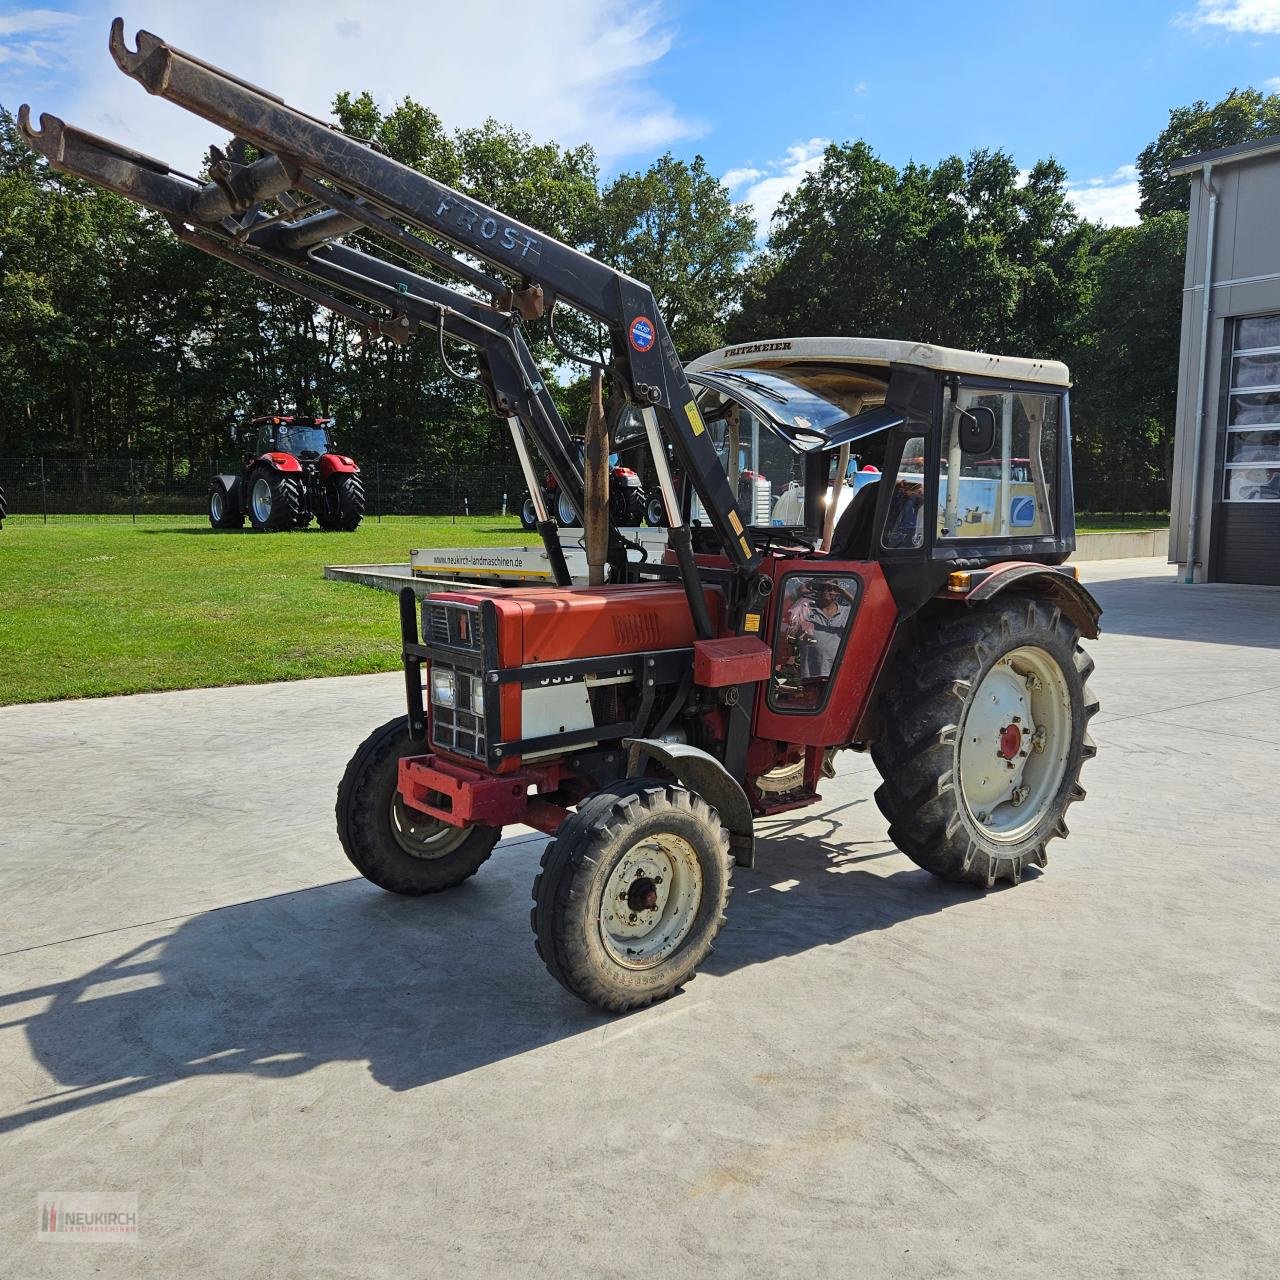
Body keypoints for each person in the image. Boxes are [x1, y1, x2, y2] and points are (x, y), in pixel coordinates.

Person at [786, 578, 855, 679]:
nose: (826, 592)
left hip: (839, 676)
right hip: (811, 676)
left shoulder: (847, 612)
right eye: (822, 588)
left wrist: (843, 592)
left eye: (831, 588)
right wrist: (798, 592)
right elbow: (780, 614)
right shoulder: (805, 610)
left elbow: (867, 610)